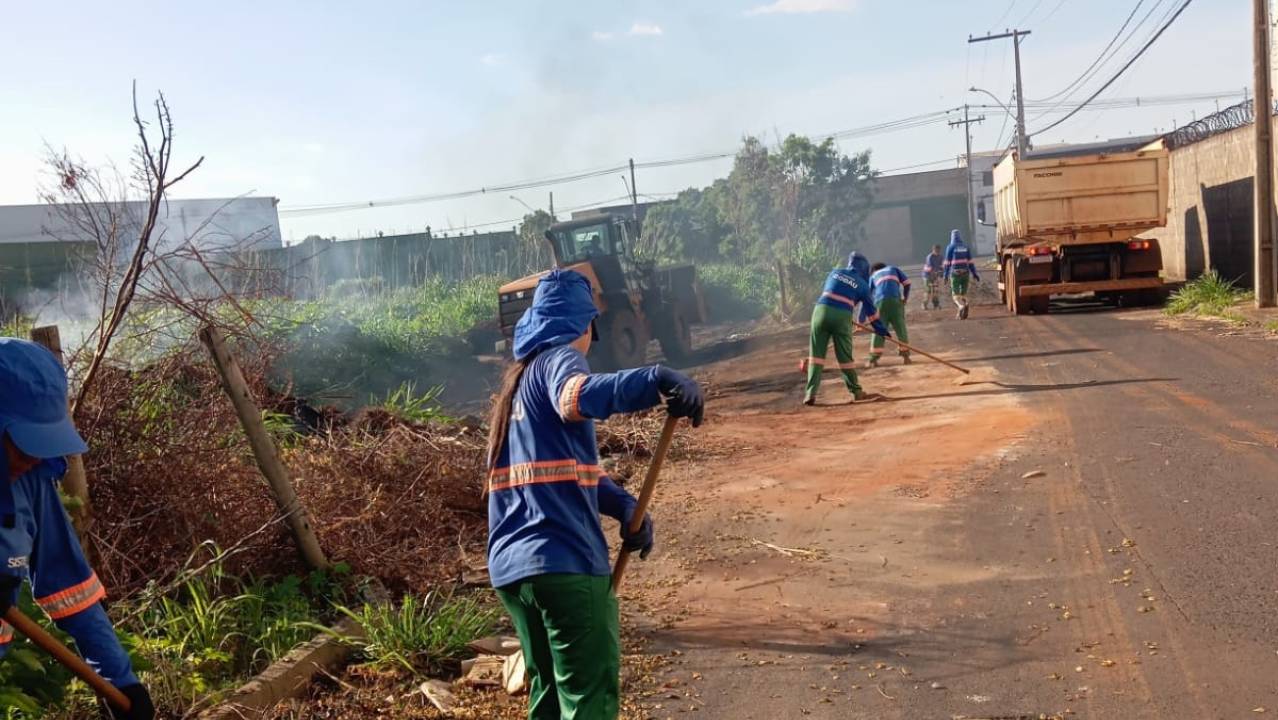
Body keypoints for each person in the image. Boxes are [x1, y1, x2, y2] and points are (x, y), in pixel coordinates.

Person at [486, 268, 704, 720]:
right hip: (563, 561)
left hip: (513, 572)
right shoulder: (560, 360)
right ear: (585, 324)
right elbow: (575, 397)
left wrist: (624, 507)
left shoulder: (514, 390)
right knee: (588, 699)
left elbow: (562, 473)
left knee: (547, 694)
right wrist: (654, 378)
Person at [0, 338, 153, 720]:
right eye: (23, 444)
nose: (34, 458)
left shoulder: (29, 481)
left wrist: (121, 680)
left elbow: (70, 587)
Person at [804, 252, 889, 406]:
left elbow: (834, 293)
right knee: (845, 358)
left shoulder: (834, 272)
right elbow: (871, 313)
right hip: (841, 316)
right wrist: (880, 329)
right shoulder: (863, 285)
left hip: (820, 311)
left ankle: (810, 393)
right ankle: (856, 392)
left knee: (816, 356)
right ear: (864, 269)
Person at [867, 262, 911, 368]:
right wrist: (905, 298)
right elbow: (907, 283)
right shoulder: (894, 269)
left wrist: (869, 314)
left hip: (880, 303)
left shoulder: (873, 276)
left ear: (873, 270)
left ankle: (873, 359)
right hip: (895, 302)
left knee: (879, 330)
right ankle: (906, 357)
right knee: (900, 328)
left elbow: (867, 295)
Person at [943, 229, 980, 320]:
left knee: (955, 294)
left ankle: (960, 306)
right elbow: (970, 262)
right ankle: (965, 304)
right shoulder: (966, 247)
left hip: (955, 273)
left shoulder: (950, 247)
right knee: (963, 293)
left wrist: (945, 275)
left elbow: (947, 263)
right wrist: (975, 274)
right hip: (965, 273)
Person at [921, 244, 943, 310]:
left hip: (935, 275)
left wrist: (942, 274)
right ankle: (924, 304)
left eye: (939, 250)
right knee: (928, 291)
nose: (937, 252)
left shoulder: (941, 257)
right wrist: (936, 274)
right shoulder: (930, 257)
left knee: (936, 291)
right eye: (936, 250)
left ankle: (936, 304)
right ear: (933, 250)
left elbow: (942, 266)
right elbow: (930, 268)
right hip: (927, 276)